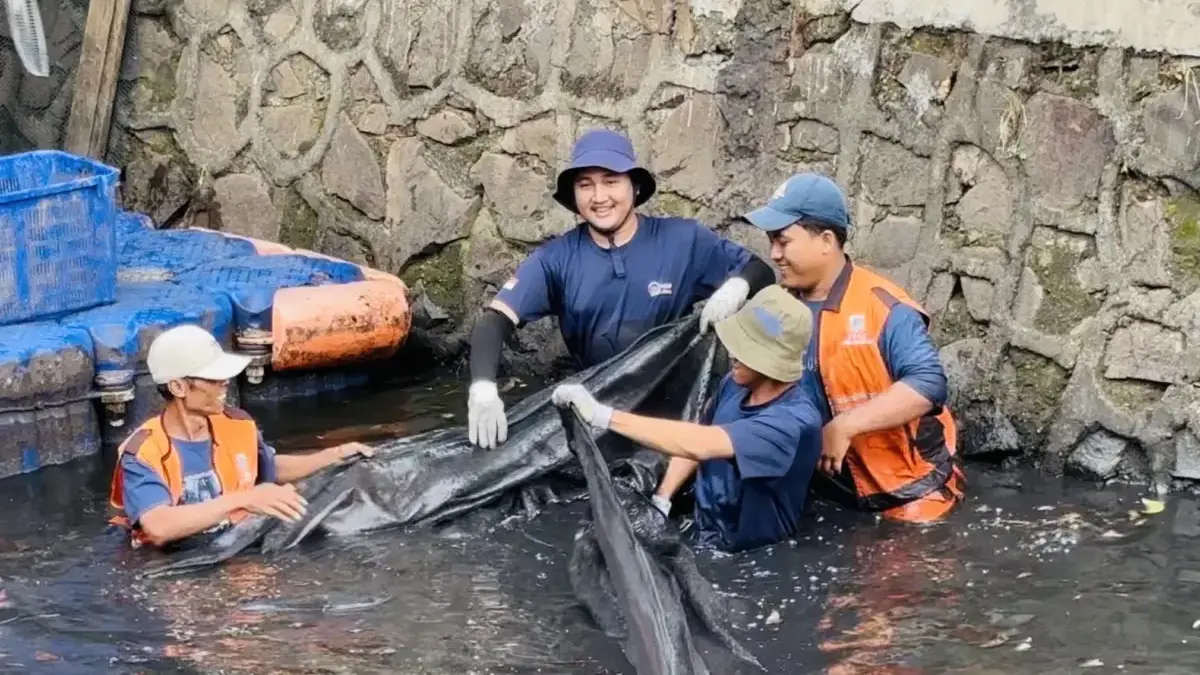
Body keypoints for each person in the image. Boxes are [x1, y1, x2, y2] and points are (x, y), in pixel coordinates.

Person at [467, 128, 777, 450]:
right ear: (574, 196)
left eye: (611, 180)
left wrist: (737, 287)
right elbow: (495, 319)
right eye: (585, 185)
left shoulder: (684, 241)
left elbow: (761, 271)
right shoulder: (555, 259)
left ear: (635, 186)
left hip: (675, 415)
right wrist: (483, 389)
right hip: (595, 408)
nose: (599, 197)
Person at [740, 172, 965, 523]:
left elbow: (929, 384)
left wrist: (846, 426)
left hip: (906, 498)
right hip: (825, 491)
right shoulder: (780, 306)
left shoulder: (883, 308)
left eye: (783, 241)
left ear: (826, 240)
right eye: (771, 241)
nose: (774, 254)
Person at [552, 285, 822, 553]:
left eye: (745, 347)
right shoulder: (736, 383)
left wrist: (603, 415)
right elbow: (695, 437)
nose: (731, 352)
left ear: (770, 360)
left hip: (748, 555)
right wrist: (663, 499)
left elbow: (702, 443)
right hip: (704, 531)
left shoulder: (793, 423)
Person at [107, 324, 373, 549]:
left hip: (232, 549)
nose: (225, 382)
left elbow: (269, 466)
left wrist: (333, 456)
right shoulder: (144, 451)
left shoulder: (238, 425)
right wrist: (247, 499)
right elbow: (158, 526)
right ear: (178, 387)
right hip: (168, 568)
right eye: (213, 377)